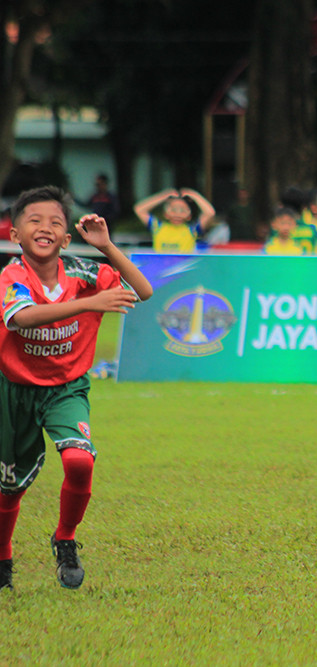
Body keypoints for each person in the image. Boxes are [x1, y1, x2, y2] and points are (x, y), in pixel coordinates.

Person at [0, 186, 154, 591]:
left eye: (55, 222)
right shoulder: (12, 275)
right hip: (14, 391)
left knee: (81, 462)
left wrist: (106, 246)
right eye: (34, 220)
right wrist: (89, 304)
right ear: (15, 235)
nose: (45, 227)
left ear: (67, 239)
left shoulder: (83, 273)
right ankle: (2, 558)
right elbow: (22, 318)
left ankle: (65, 539)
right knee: (9, 486)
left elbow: (143, 290)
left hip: (66, 388)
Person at [133, 187, 216, 253]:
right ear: (166, 214)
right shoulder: (157, 227)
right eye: (173, 210)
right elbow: (139, 209)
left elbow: (210, 213)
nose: (178, 214)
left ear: (189, 216)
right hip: (161, 270)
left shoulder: (192, 230)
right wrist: (162, 196)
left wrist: (194, 195)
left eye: (182, 210)